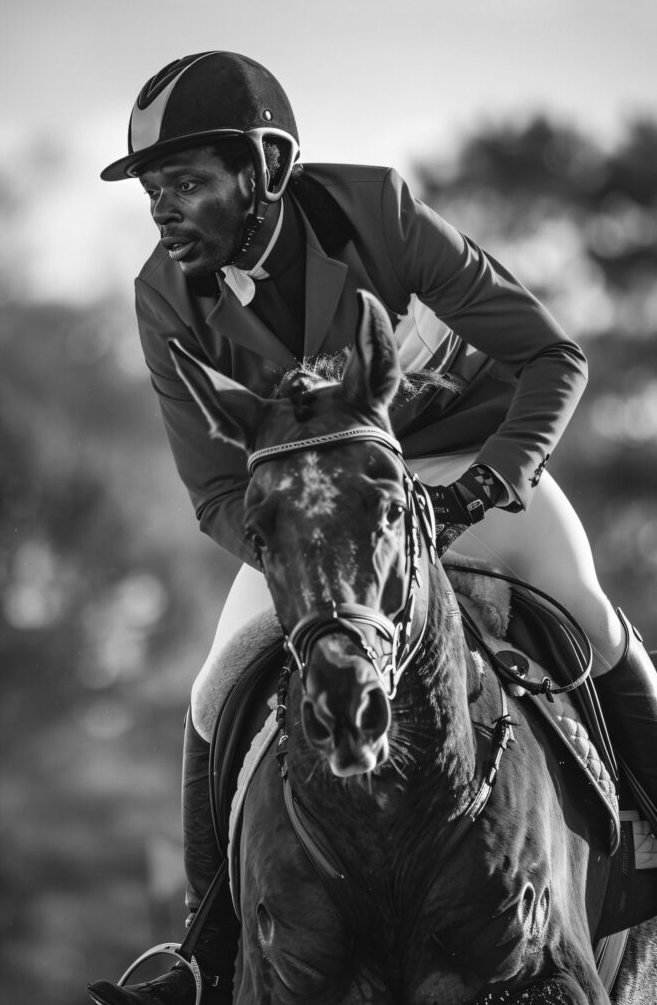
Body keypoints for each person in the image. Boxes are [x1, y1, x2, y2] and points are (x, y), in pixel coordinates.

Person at [88, 51, 657, 1005]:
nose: (163, 212)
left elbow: (551, 357)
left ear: (267, 167)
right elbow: (216, 491)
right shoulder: (164, 298)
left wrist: (484, 488)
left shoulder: (377, 216)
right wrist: (299, 554)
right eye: (153, 192)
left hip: (464, 470)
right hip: (317, 517)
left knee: (590, 622)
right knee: (213, 690)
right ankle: (203, 951)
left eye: (185, 184)